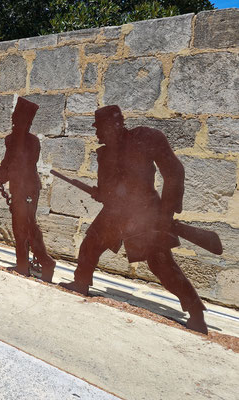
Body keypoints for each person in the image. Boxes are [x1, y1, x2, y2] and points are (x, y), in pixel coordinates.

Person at [61, 105, 208, 334]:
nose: (97, 134)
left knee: (160, 263)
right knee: (90, 244)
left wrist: (165, 214)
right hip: (115, 213)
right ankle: (80, 284)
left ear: (113, 125)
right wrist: (101, 193)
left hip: (144, 213)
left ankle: (196, 312)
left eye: (99, 128)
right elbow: (109, 190)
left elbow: (174, 171)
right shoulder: (105, 153)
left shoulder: (146, 138)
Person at [0, 97, 55, 282]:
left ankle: (45, 261)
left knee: (26, 226)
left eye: (19, 119)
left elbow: (16, 165)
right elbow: (8, 164)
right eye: (15, 117)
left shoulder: (29, 141)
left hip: (28, 189)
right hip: (20, 188)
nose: (14, 121)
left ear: (26, 121)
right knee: (20, 227)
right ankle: (22, 263)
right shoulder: (14, 140)